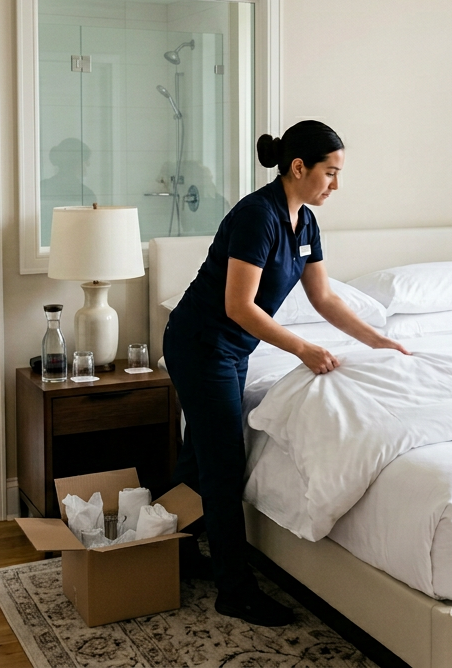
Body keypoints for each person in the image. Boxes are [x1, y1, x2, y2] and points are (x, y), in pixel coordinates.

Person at [165, 120, 409, 626]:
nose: (335, 185)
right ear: (298, 167)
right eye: (330, 173)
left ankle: (176, 553)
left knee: (201, 455)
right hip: (201, 344)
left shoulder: (306, 222)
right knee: (224, 465)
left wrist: (377, 338)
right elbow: (238, 305)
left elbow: (324, 297)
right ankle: (235, 590)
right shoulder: (258, 217)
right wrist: (302, 349)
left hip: (232, 350)